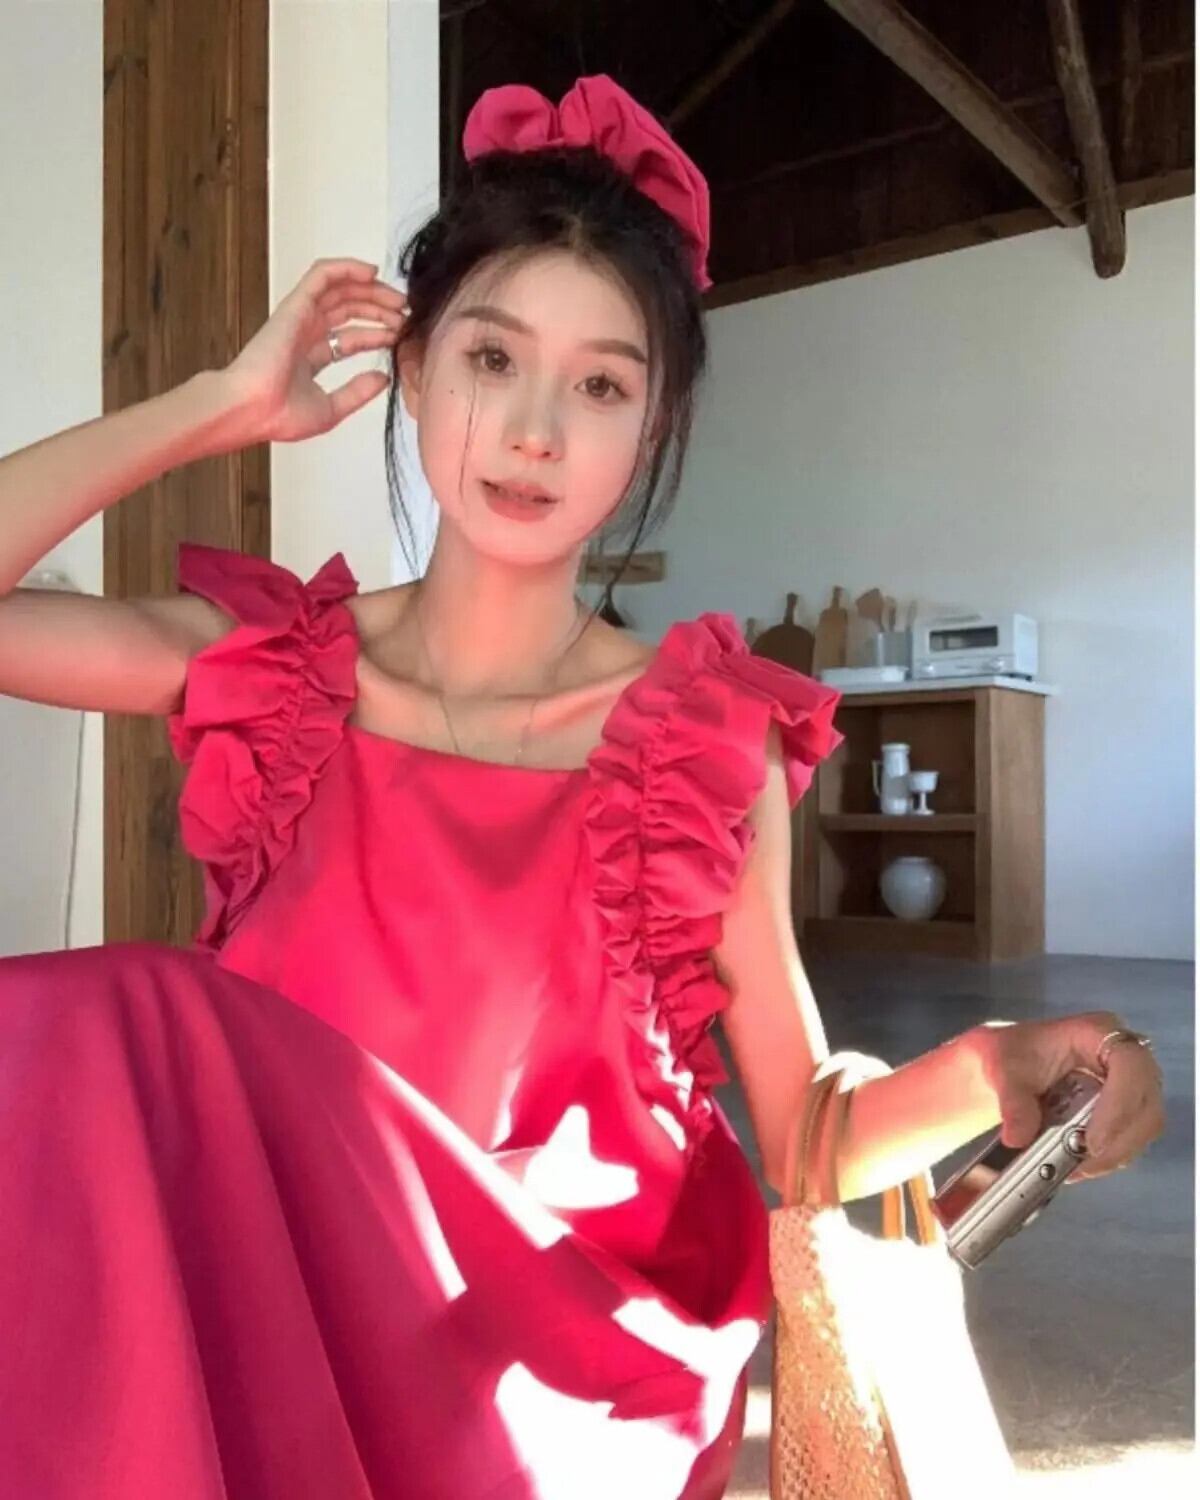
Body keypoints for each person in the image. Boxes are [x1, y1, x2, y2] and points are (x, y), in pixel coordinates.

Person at [0, 75, 1164, 1500]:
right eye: (492, 358)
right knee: (92, 1026)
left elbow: (806, 1135)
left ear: (651, 427)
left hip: (556, 1356)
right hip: (283, 1313)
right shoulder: (272, 674)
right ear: (414, 369)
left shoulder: (697, 744)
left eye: (602, 383)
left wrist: (995, 1065)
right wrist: (216, 406)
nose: (536, 429)